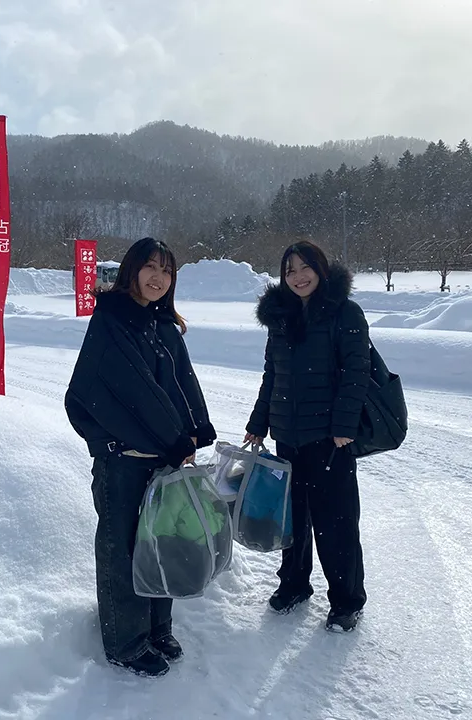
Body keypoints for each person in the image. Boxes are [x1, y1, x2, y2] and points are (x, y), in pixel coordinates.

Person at [65, 237, 217, 677]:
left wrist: (192, 433)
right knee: (123, 549)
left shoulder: (163, 324)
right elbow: (129, 394)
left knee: (160, 542)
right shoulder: (112, 320)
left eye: (166, 271)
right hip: (123, 462)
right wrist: (172, 440)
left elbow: (180, 385)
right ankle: (125, 640)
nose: (158, 277)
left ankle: (156, 625)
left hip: (162, 459)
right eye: (150, 267)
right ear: (132, 270)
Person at [244, 240, 370, 632]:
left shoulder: (344, 312)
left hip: (330, 439)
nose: (298, 277)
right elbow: (273, 375)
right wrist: (258, 422)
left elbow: (356, 371)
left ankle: (347, 600)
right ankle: (295, 585)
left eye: (305, 268)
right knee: (291, 518)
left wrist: (344, 427)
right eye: (290, 270)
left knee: (336, 522)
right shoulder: (280, 317)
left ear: (321, 269)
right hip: (287, 436)